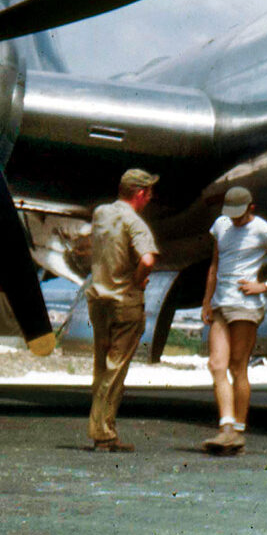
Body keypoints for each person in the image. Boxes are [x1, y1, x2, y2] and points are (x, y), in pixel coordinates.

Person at [199, 187, 267, 454]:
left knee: (237, 367)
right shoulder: (221, 226)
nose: (234, 220)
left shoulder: (262, 229)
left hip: (246, 306)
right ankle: (226, 429)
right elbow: (215, 264)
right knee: (216, 365)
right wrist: (206, 300)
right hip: (221, 303)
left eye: (239, 215)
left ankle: (238, 431)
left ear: (251, 208)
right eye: (230, 214)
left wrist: (265, 284)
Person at [87, 168, 161, 452]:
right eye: (149, 193)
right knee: (115, 369)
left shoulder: (101, 213)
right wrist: (139, 280)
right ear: (140, 194)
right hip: (124, 302)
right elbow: (148, 258)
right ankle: (102, 431)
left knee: (101, 365)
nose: (150, 199)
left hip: (99, 300)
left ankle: (105, 430)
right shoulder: (136, 223)